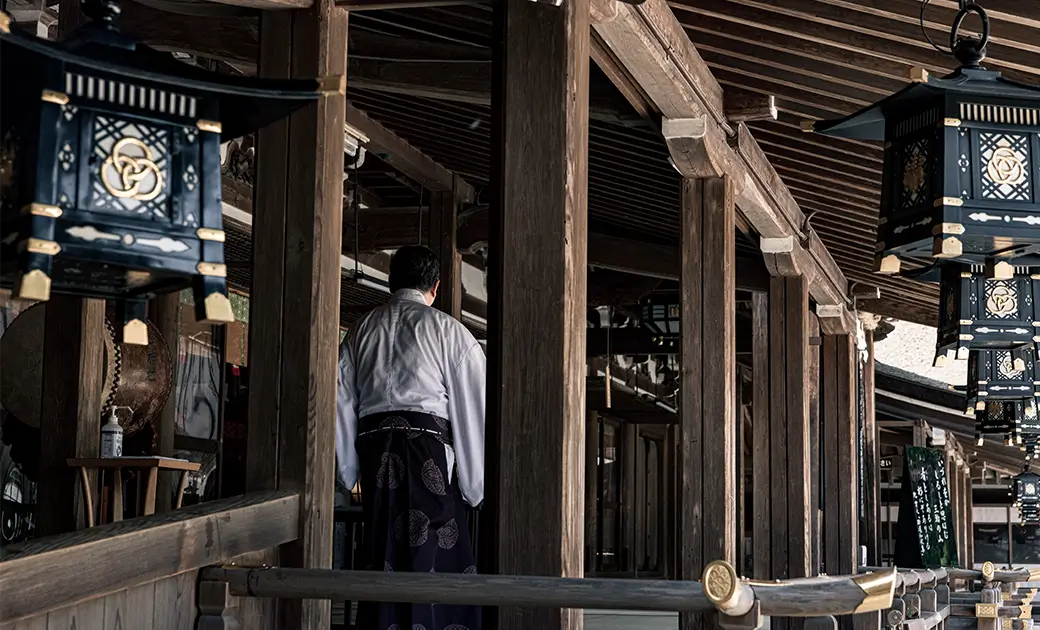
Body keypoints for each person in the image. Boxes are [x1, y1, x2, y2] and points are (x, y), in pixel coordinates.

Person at [336, 245, 485, 630]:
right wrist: (474, 485)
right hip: (426, 450)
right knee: (432, 554)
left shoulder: (360, 330)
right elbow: (472, 407)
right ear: (435, 286)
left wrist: (348, 470)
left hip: (376, 452)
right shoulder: (449, 331)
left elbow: (340, 400)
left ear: (391, 281)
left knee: (382, 549)